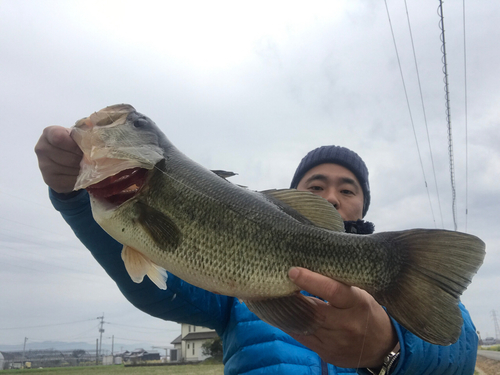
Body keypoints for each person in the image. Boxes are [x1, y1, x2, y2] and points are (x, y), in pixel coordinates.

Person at [35, 127, 479, 374]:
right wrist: (74, 196)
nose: (330, 198)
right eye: (315, 186)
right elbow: (161, 287)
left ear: (363, 203)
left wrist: (388, 346)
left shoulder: (394, 284)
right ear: (293, 199)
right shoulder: (236, 294)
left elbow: (460, 342)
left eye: (347, 189)